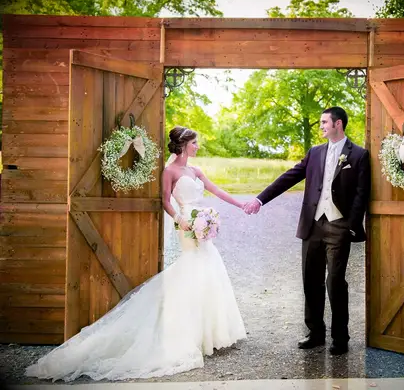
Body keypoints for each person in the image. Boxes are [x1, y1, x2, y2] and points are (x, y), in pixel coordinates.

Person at [26, 126, 247, 382]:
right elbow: (165, 200)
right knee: (193, 268)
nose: (198, 147)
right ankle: (185, 333)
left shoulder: (196, 171)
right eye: (195, 143)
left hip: (201, 221)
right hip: (186, 223)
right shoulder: (170, 171)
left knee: (208, 267)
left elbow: (216, 190)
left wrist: (241, 204)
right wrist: (180, 219)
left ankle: (211, 333)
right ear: (185, 144)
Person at [243, 106, 370, 355]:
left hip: (339, 226)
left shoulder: (359, 155)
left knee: (334, 282)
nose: (321, 126)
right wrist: (259, 199)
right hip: (313, 225)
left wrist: (350, 225)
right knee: (310, 281)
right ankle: (315, 332)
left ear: (338, 124)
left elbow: (361, 194)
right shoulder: (314, 152)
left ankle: (340, 337)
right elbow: (289, 177)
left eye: (324, 122)